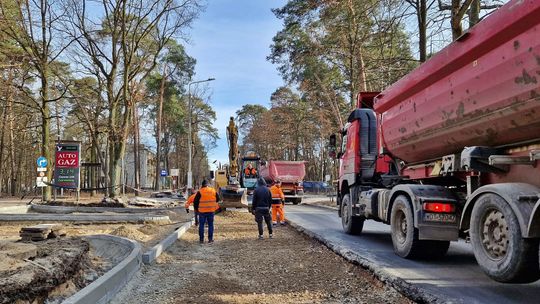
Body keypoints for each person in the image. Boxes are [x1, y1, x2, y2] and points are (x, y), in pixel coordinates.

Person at [193, 180, 220, 244]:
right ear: (208, 185)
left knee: (201, 225)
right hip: (211, 211)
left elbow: (195, 202)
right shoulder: (213, 190)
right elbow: (218, 199)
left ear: (202, 185)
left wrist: (197, 210)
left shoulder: (200, 192)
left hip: (202, 211)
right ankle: (210, 239)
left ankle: (201, 240)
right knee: (210, 225)